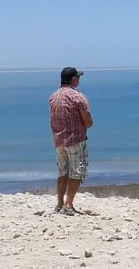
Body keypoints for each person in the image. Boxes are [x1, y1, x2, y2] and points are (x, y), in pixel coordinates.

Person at [49, 67, 93, 216]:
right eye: (78, 77)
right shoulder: (78, 97)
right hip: (75, 139)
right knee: (77, 172)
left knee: (63, 172)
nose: (79, 80)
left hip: (59, 140)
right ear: (73, 79)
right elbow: (88, 122)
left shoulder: (53, 96)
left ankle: (60, 204)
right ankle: (68, 205)